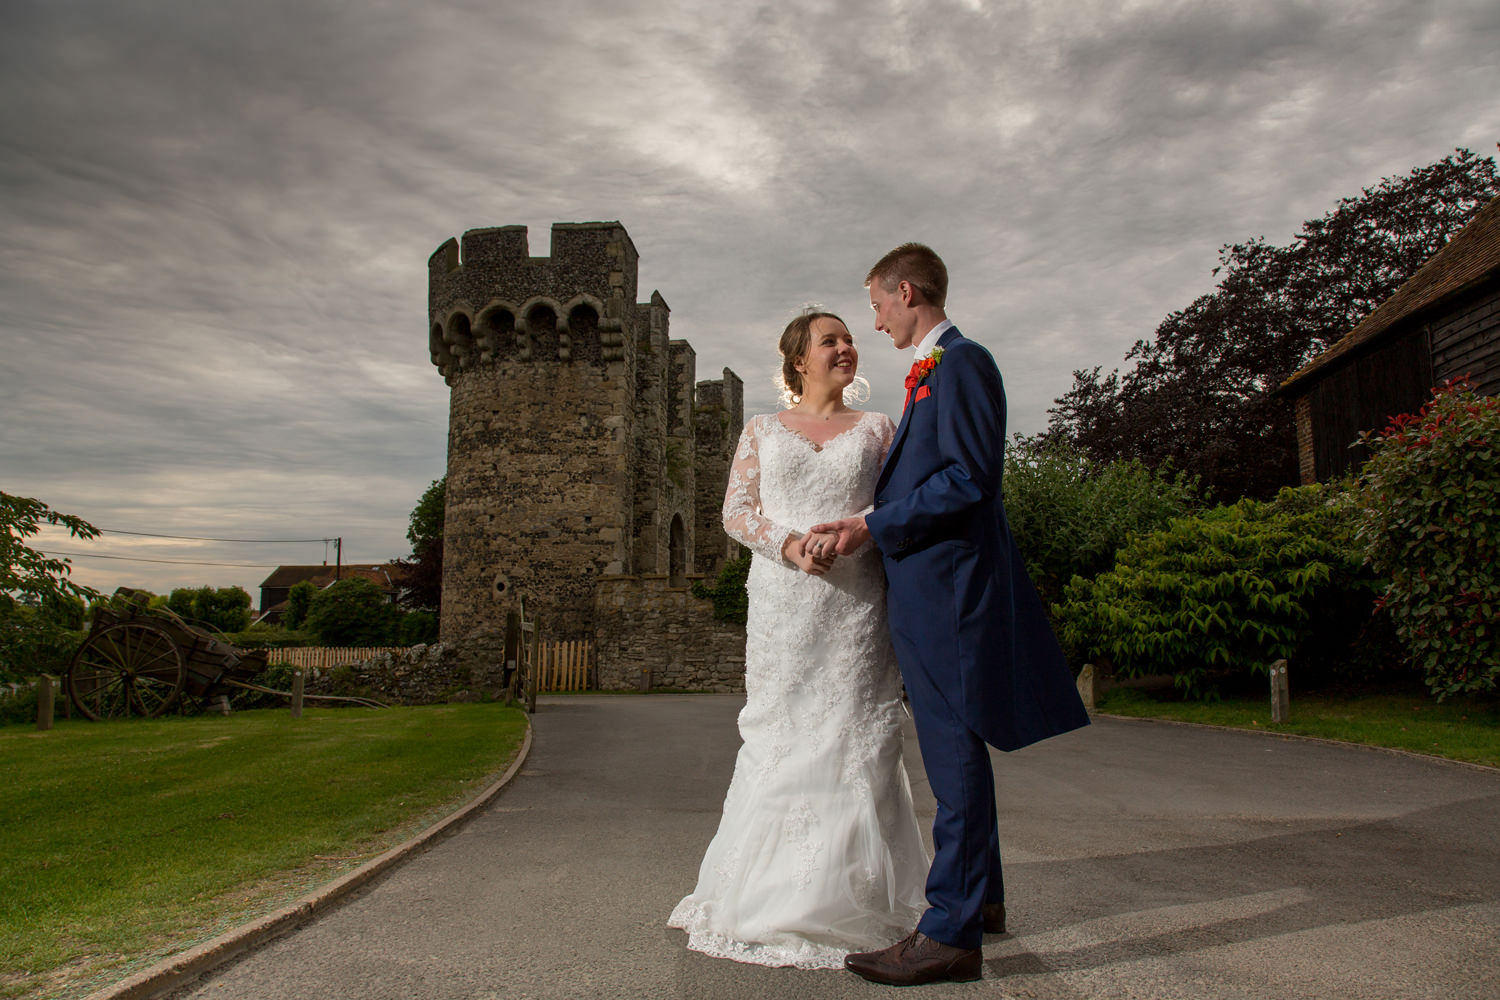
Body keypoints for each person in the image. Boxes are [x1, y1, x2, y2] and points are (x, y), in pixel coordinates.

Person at [812, 244, 1091, 986]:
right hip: (935, 595)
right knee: (958, 753)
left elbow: (971, 479)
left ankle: (948, 934)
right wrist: (870, 519)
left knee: (953, 759)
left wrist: (873, 526)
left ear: (907, 292)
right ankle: (983, 899)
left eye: (876, 306)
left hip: (952, 599)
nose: (874, 322)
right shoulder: (931, 372)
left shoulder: (962, 363)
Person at [668, 310, 929, 969]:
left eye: (849, 338)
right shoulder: (760, 430)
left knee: (852, 734)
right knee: (778, 736)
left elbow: (901, 503)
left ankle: (854, 898)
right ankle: (762, 896)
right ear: (797, 361)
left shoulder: (879, 430)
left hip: (856, 608)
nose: (845, 347)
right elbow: (736, 512)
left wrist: (855, 528)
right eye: (829, 340)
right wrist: (787, 544)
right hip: (784, 608)